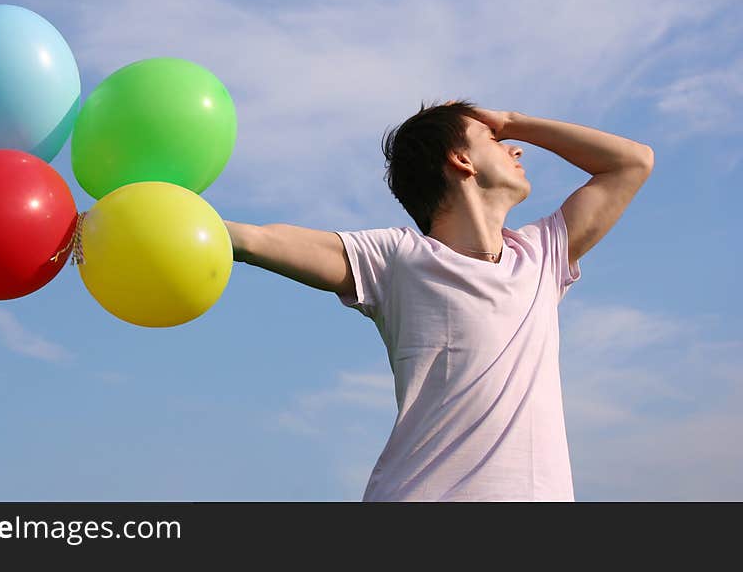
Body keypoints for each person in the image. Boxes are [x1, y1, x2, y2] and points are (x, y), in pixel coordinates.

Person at [224, 99, 654, 501]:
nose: (517, 150)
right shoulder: (398, 260)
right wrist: (176, 218)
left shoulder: (540, 257)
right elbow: (257, 239)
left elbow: (632, 162)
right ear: (461, 160)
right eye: (496, 142)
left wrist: (510, 121)